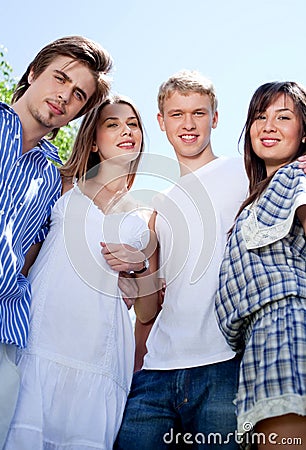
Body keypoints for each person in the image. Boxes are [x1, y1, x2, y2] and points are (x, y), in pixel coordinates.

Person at [0, 94, 158, 449]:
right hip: (40, 340)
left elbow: (146, 311)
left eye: (133, 124)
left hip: (102, 354)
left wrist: (138, 266)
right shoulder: (60, 184)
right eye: (112, 124)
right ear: (95, 140)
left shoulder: (146, 216)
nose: (126, 130)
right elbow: (24, 257)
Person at [0, 35, 113, 449]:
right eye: (59, 78)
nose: (64, 97)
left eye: (78, 95)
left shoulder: (56, 179)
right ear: (34, 73)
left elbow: (38, 255)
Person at [115, 70, 249, 449]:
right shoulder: (158, 205)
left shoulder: (244, 172)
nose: (188, 124)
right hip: (157, 372)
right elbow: (147, 311)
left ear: (215, 118)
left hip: (224, 365)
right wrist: (138, 265)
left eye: (198, 113)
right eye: (176, 114)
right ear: (161, 121)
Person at [215, 81, 306, 449]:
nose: (268, 126)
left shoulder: (295, 176)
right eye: (259, 116)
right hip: (257, 342)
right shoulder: (258, 195)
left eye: (283, 117)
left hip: (286, 325)